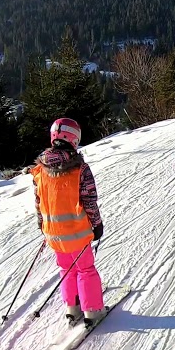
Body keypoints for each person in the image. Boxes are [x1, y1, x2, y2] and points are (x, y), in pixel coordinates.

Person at [31, 117, 106, 327]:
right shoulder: (80, 169)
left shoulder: (40, 169)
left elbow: (39, 201)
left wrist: (42, 225)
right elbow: (89, 200)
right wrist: (97, 224)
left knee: (66, 268)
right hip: (77, 232)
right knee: (85, 269)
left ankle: (72, 308)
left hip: (53, 232)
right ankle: (92, 311)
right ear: (73, 139)